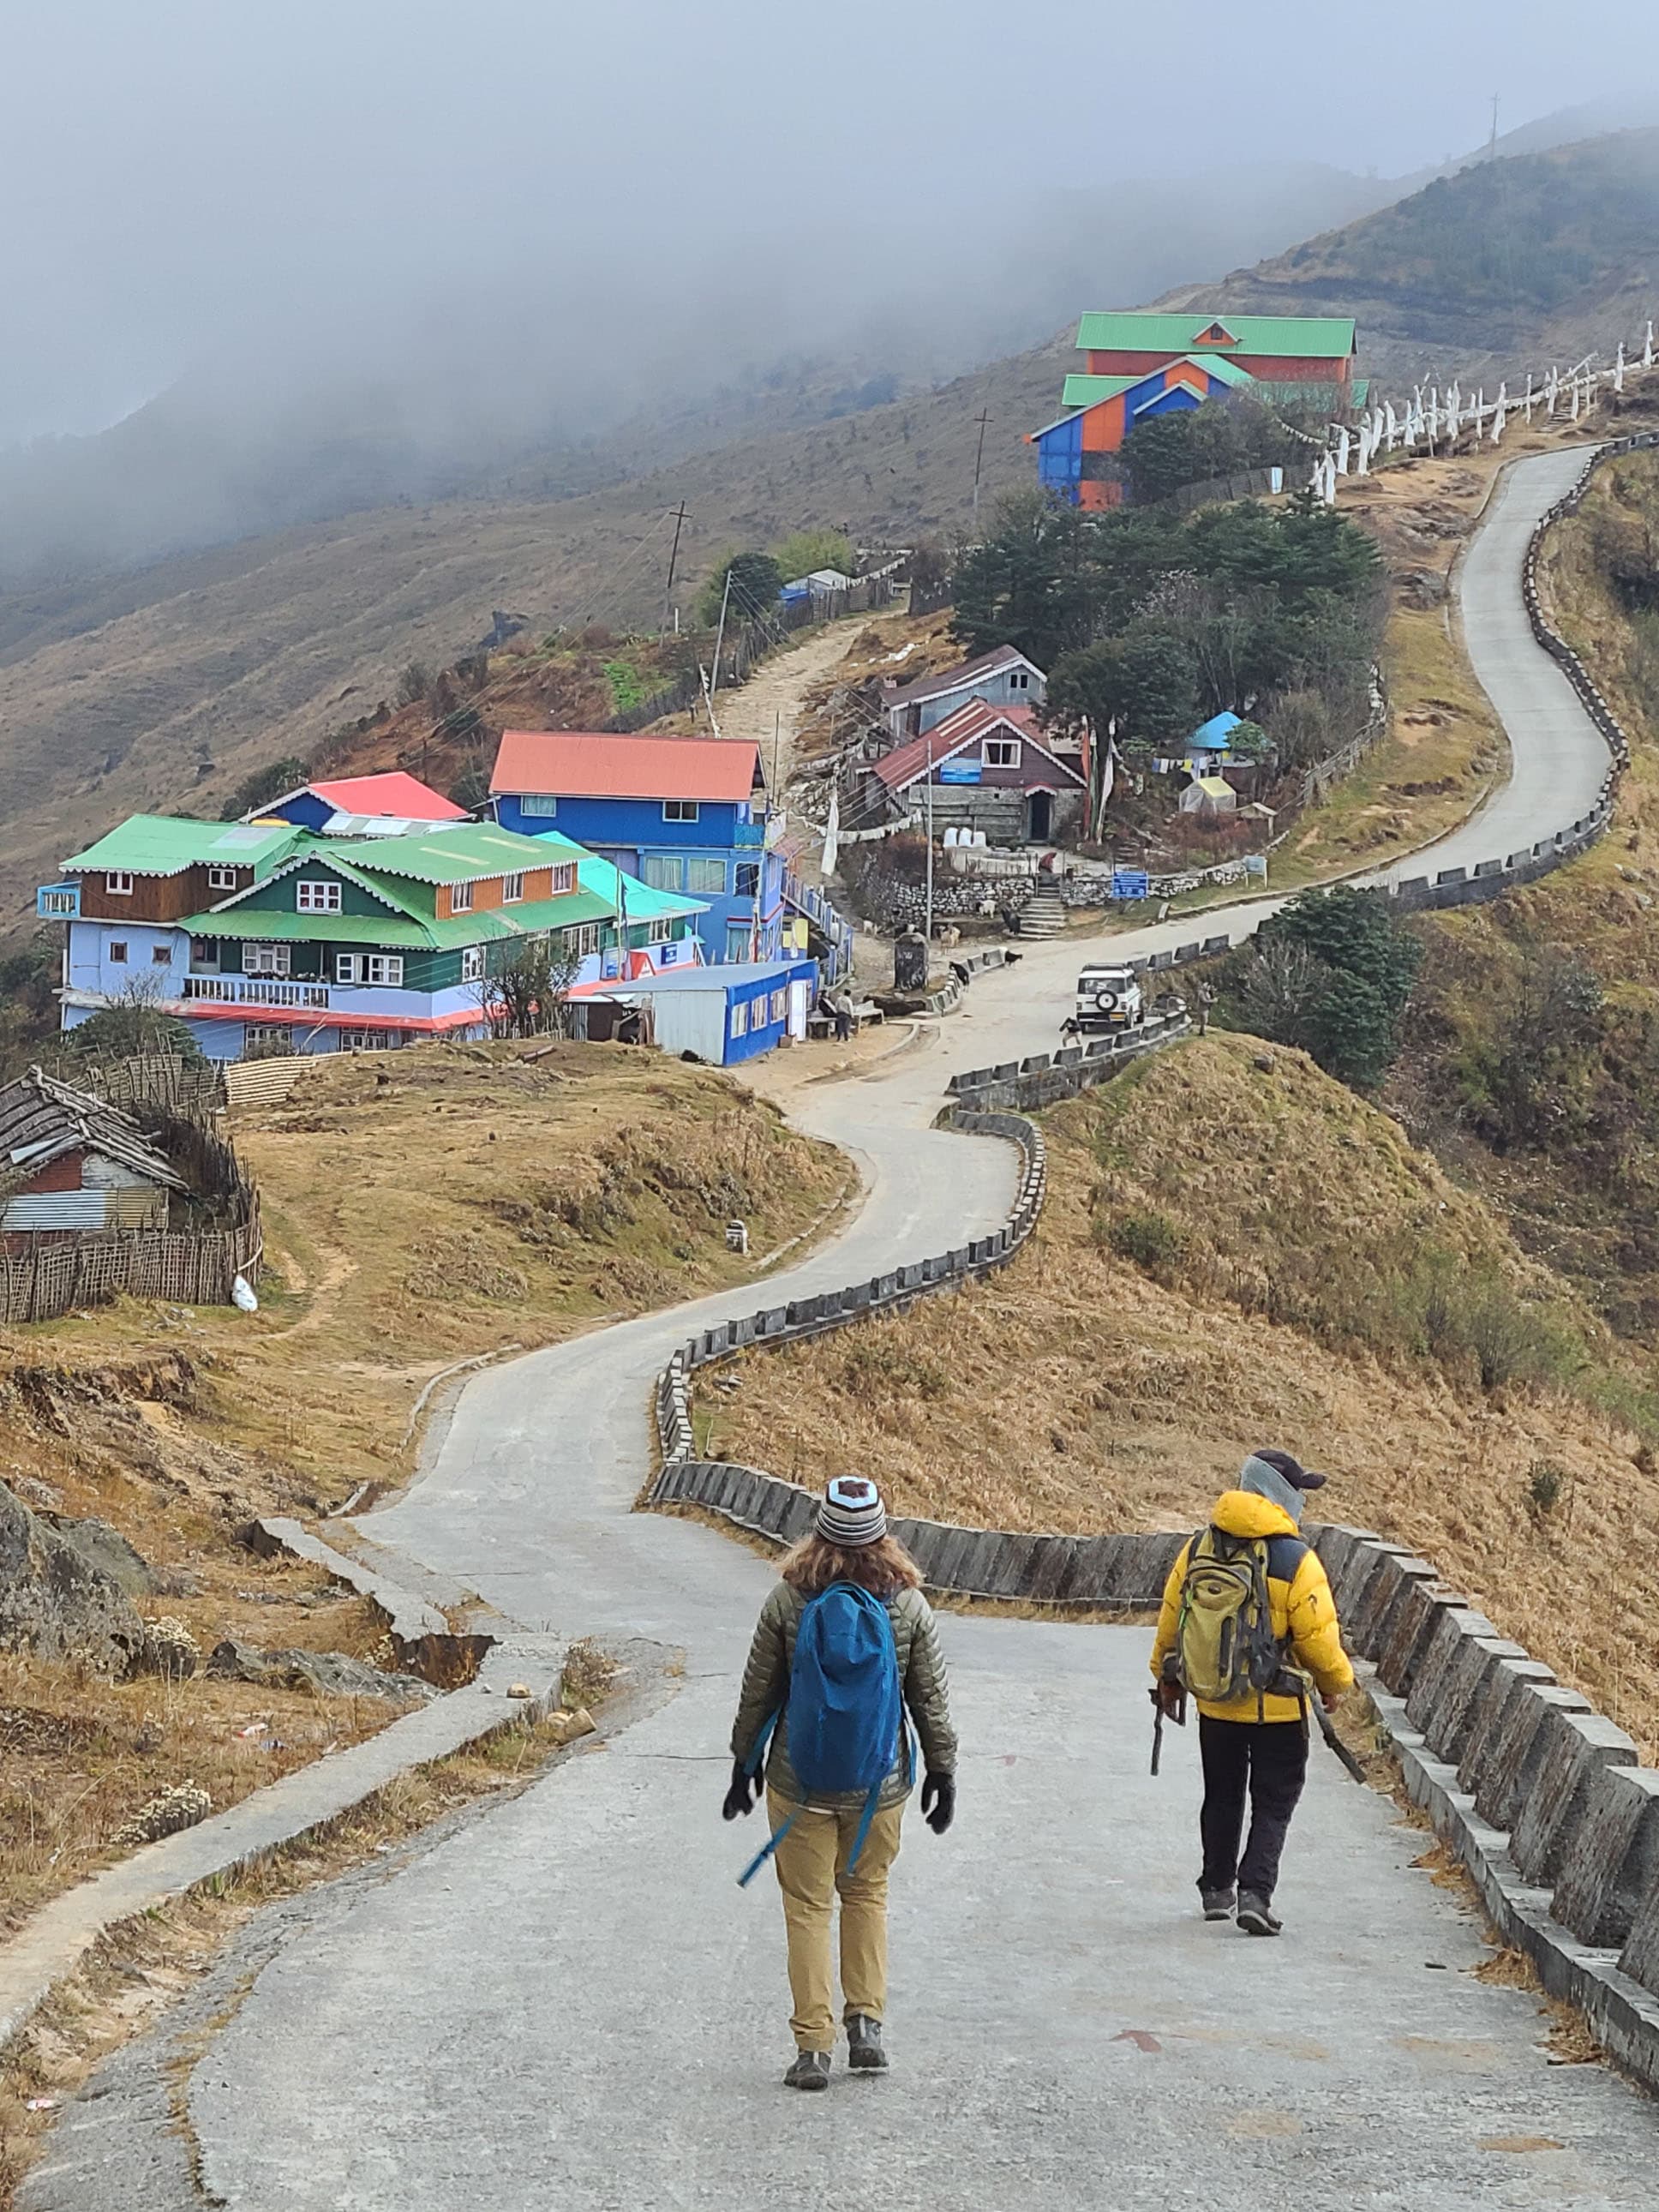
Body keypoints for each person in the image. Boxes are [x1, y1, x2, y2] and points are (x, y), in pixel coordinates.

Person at [724, 1477, 957, 2089]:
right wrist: (943, 1770)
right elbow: (929, 1700)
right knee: (866, 1893)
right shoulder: (906, 1604)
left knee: (806, 1907)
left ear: (820, 1530)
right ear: (883, 1533)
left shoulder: (789, 1599)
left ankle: (812, 2048)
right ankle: (866, 2026)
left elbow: (759, 1692)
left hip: (798, 1780)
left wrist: (742, 1764)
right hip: (880, 1783)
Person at [1148, 1448, 1354, 1937]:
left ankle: (1217, 1888)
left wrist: (1166, 1677)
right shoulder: (1295, 1558)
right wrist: (1335, 1686)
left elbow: (1173, 1617)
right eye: (1298, 1489)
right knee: (1275, 1799)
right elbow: (1319, 1640)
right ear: (1280, 1494)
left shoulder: (1200, 1547)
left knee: (1221, 1793)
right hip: (1278, 1708)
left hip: (1216, 1699)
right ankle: (1255, 1894)